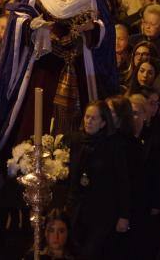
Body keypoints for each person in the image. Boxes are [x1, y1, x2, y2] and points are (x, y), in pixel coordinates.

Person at [0, 0, 118, 147]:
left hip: (78, 62)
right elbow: (19, 16)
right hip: (46, 61)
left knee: (78, 109)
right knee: (38, 110)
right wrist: (33, 25)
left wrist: (92, 28)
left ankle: (73, 150)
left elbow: (104, 26)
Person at [65, 100, 130, 259]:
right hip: (79, 209)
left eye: (93, 118)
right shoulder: (76, 140)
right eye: (87, 117)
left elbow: (122, 181)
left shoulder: (114, 146)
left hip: (102, 211)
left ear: (103, 123)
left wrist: (124, 215)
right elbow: (73, 177)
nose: (88, 121)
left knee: (92, 253)